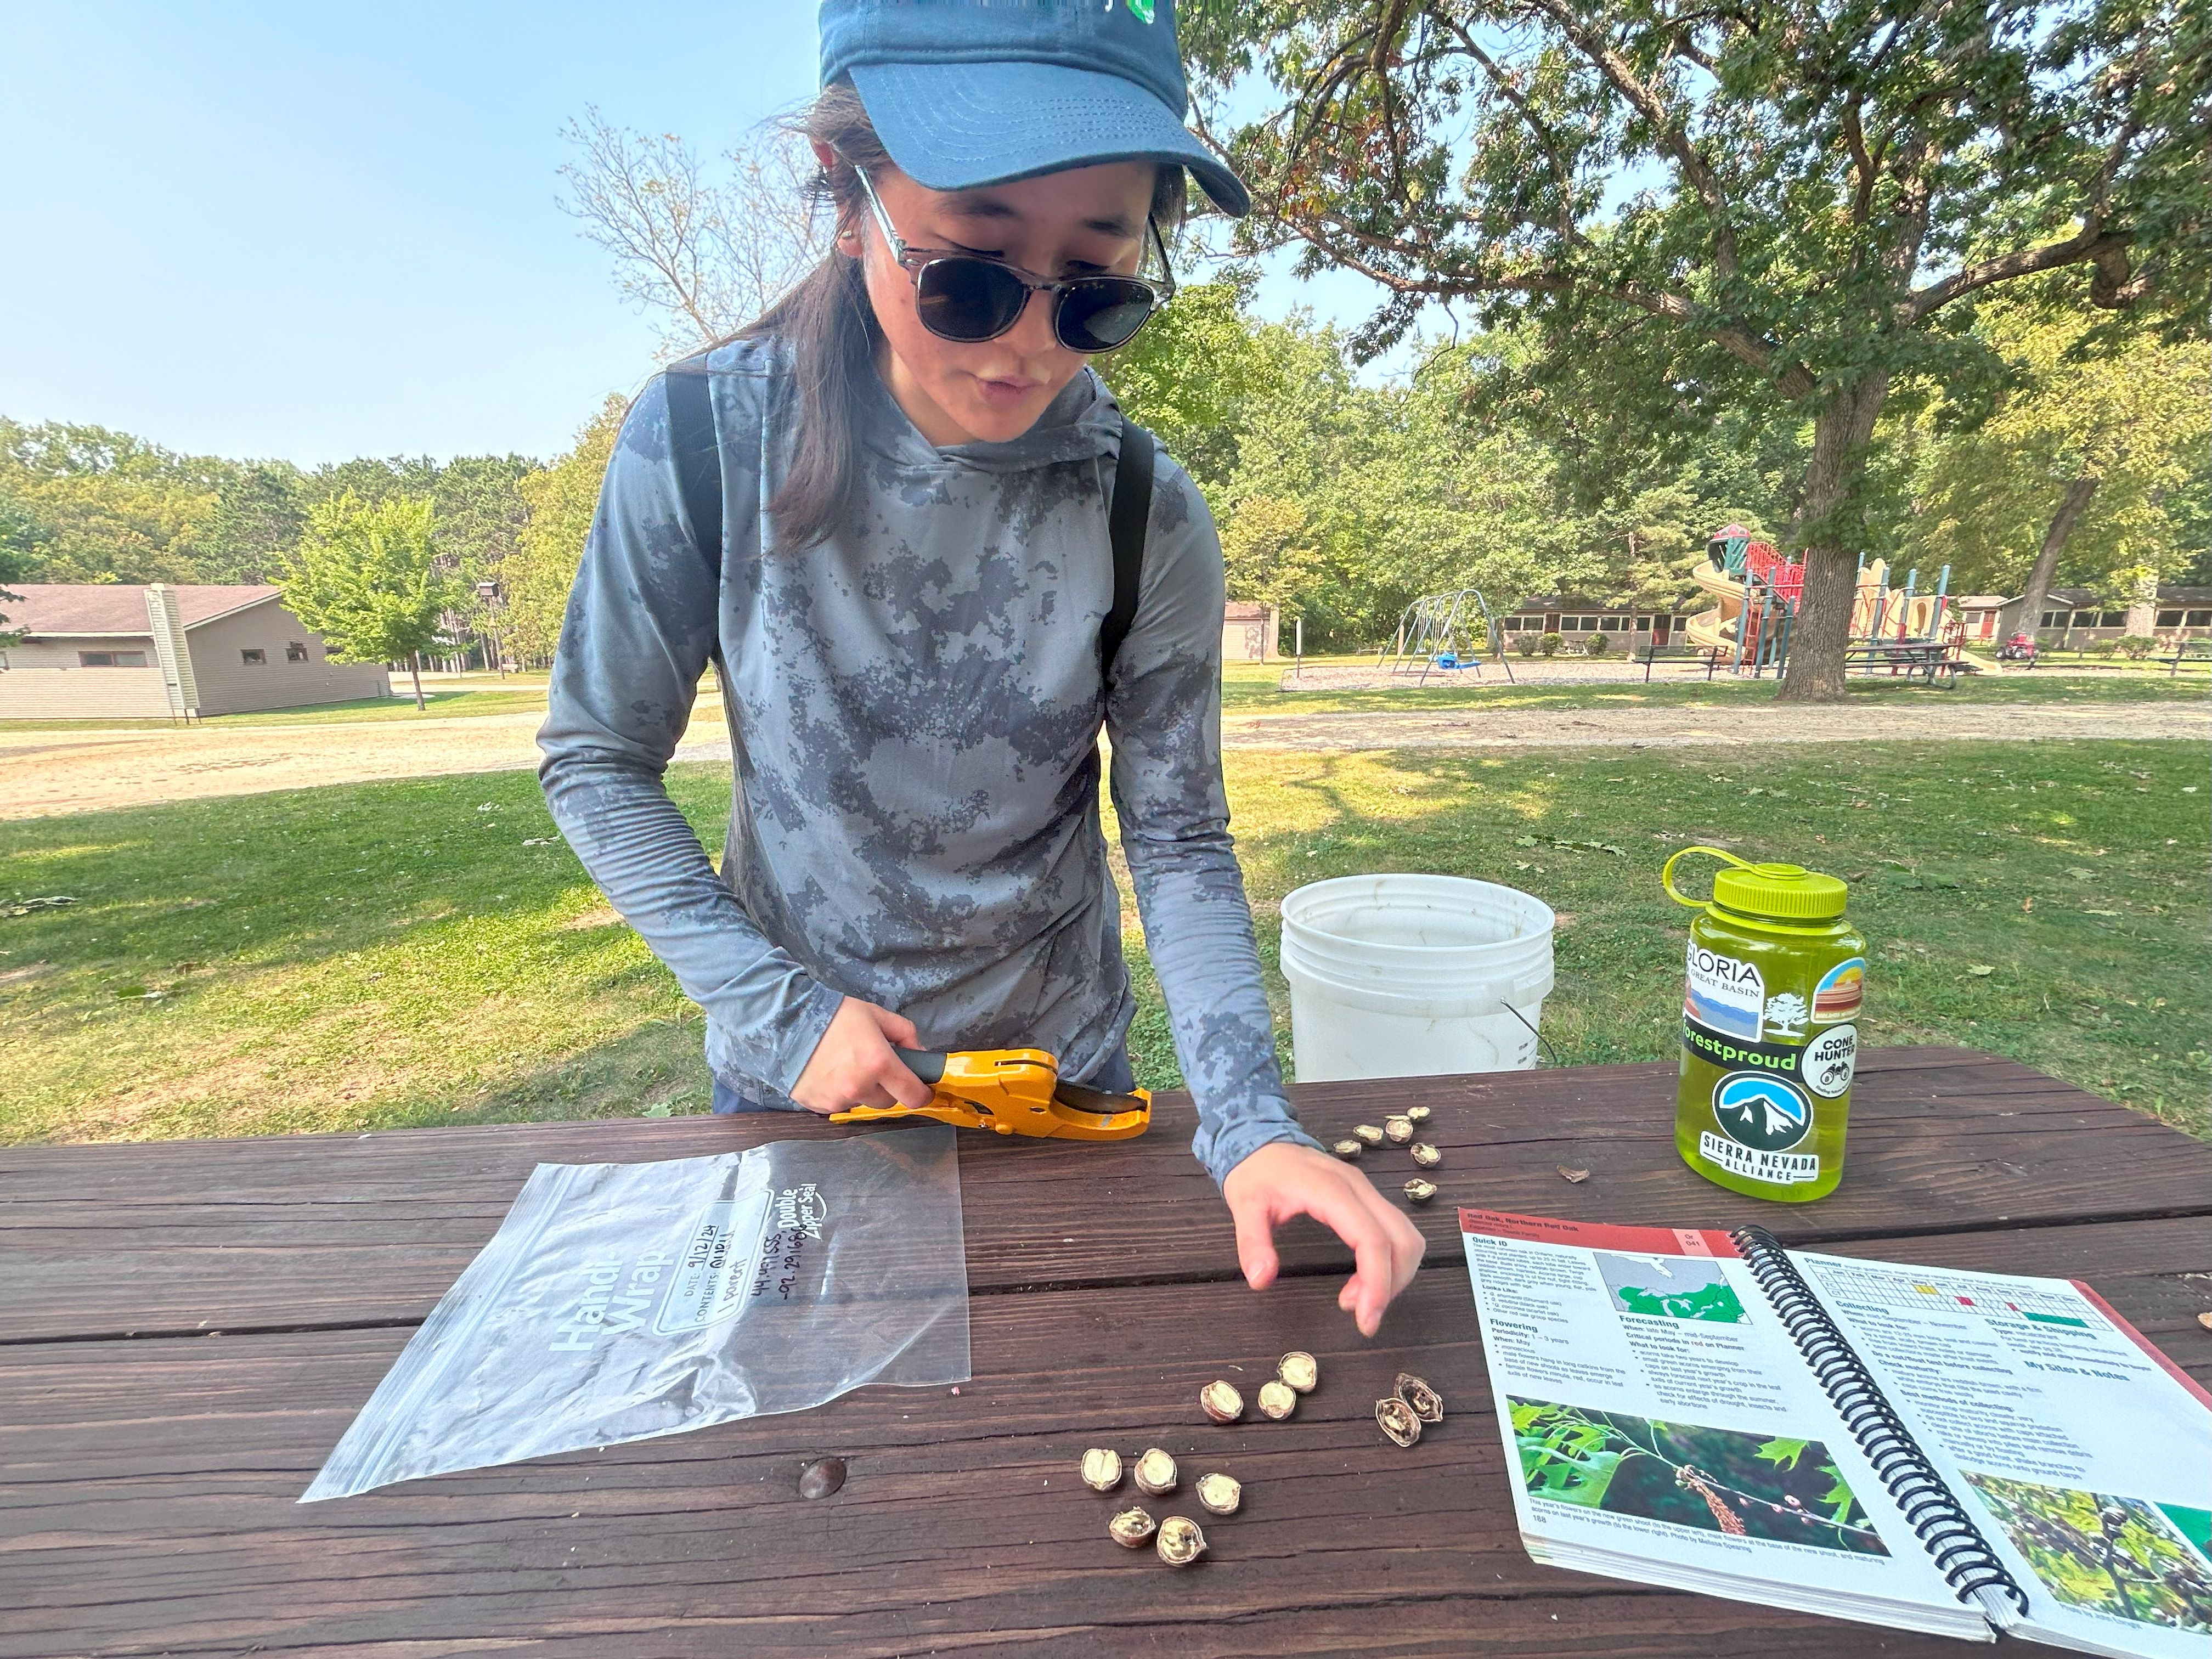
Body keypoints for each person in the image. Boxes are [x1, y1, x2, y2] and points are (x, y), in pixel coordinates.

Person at [537, 0, 1423, 1335]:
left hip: (1058, 1093)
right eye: (969, 273)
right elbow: (597, 760)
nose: (1027, 345)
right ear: (850, 202)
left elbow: (1176, 836)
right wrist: (782, 1019)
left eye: (1098, 288)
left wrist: (1249, 1123)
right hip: (804, 1096)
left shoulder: (1145, 509)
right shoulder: (702, 441)